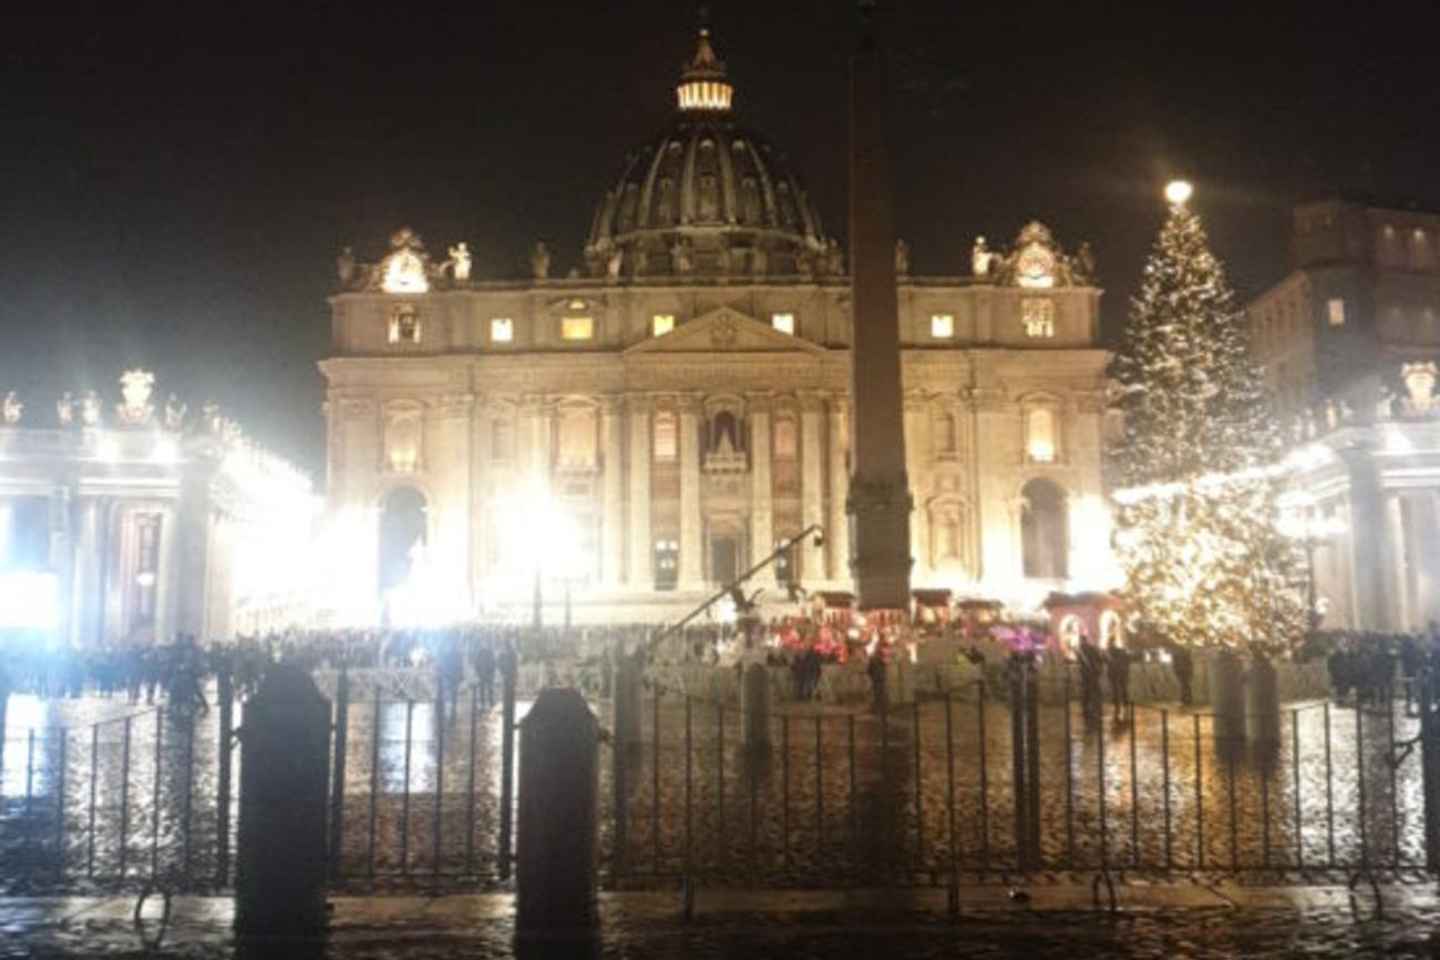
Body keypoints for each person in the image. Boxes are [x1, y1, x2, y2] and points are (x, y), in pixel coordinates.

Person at [1076, 632, 1104, 722]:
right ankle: (1096, 709)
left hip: (1088, 675)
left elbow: (1080, 662)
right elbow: (1099, 659)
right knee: (1094, 692)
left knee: (1087, 693)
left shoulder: (1082, 650)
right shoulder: (1091, 649)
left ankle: (1088, 710)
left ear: (1082, 641)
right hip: (1092, 674)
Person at [1106, 639, 1131, 721]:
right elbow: (1127, 660)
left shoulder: (1111, 651)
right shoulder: (1120, 651)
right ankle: (1123, 704)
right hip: (1120, 673)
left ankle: (1119, 704)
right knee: (1121, 689)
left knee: (1118, 689)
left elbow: (1109, 661)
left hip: (1116, 673)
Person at [1170, 642, 1194, 707]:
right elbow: (1189, 663)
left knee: (1184, 685)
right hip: (1183, 670)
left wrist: (1176, 670)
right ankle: (1186, 699)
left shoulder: (1179, 653)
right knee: (1185, 685)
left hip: (1182, 670)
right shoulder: (1184, 653)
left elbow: (1175, 663)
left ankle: (1185, 699)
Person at [867, 644, 888, 715]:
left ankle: (877, 707)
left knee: (876, 693)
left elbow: (869, 670)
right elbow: (885, 668)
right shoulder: (882, 660)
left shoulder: (872, 659)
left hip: (875, 678)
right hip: (880, 678)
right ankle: (881, 708)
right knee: (881, 693)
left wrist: (871, 675)